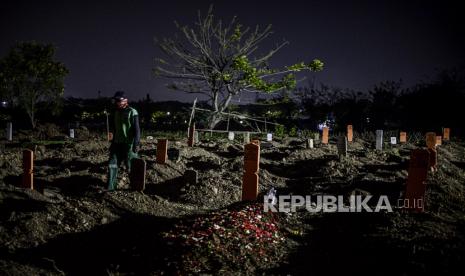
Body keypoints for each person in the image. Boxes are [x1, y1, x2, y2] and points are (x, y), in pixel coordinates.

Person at [107, 91, 140, 190]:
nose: (117, 102)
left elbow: (137, 129)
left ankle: (135, 188)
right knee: (112, 164)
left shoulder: (132, 111)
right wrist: (112, 142)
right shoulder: (115, 112)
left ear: (125, 100)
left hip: (128, 144)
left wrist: (136, 143)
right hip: (117, 143)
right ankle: (111, 188)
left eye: (119, 100)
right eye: (116, 101)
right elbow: (114, 128)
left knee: (130, 167)